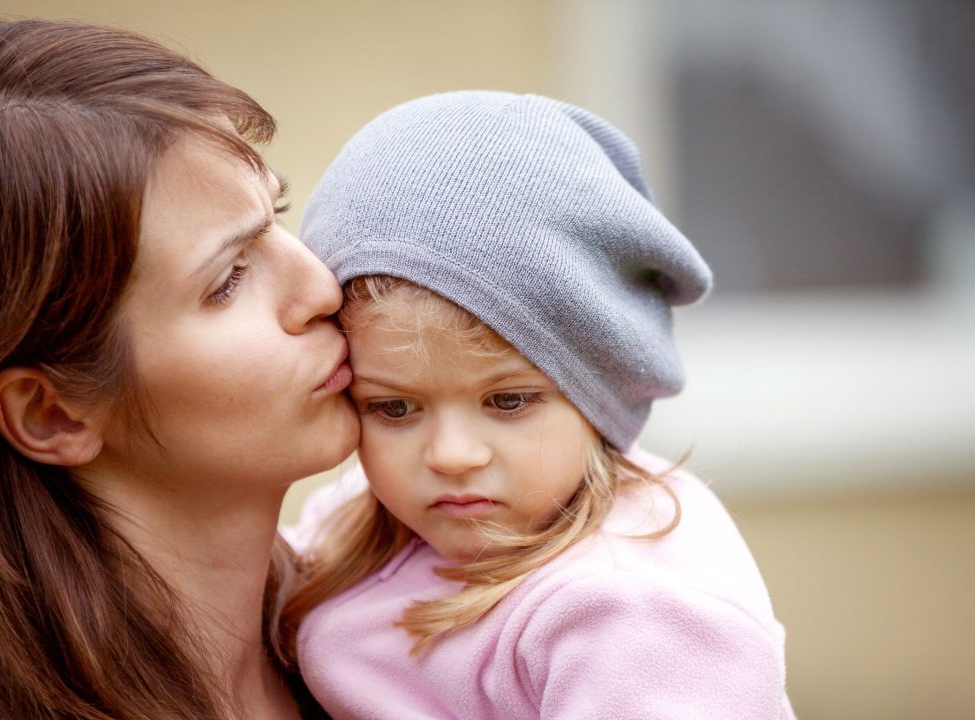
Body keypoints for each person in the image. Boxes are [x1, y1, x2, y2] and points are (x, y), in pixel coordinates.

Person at [284, 91, 797, 719]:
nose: (451, 455)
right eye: (394, 409)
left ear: (598, 386)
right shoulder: (358, 521)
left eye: (507, 401)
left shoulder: (630, 611)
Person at [0, 19, 357, 719]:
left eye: (277, 216)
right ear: (53, 414)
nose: (322, 289)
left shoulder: (397, 640)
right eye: (228, 280)